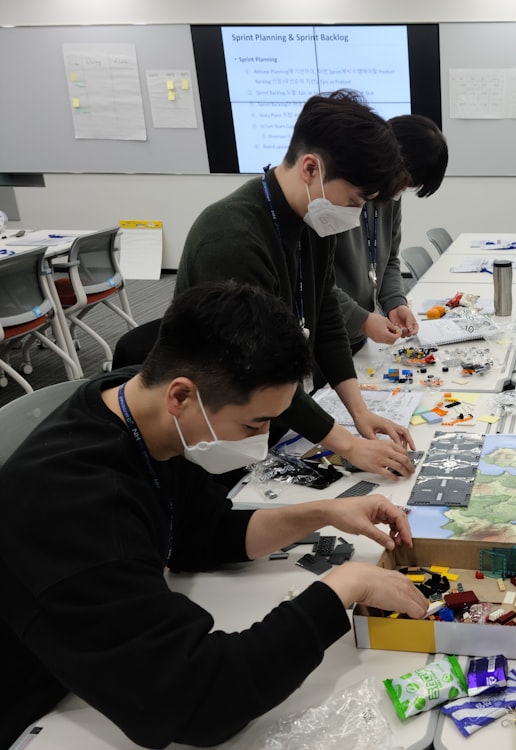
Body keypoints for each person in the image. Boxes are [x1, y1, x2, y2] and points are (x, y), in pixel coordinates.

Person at [0, 282, 428, 749]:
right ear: (181, 396)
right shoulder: (75, 506)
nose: (263, 441)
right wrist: (342, 587)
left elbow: (203, 534)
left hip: (94, 662)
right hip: (35, 709)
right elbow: (200, 702)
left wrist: (325, 511)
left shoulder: (139, 411)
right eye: (254, 423)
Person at [176, 90, 415, 481]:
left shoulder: (313, 222)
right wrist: (350, 446)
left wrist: (359, 413)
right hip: (216, 432)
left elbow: (327, 318)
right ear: (310, 169)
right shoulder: (232, 238)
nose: (355, 214)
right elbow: (260, 371)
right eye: (355, 199)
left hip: (267, 417)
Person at [333, 114, 449, 353]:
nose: (399, 192)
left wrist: (396, 302)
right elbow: (316, 283)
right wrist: (361, 320)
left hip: (357, 337)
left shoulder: (389, 197)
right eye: (403, 182)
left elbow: (389, 260)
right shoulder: (338, 197)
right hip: (327, 335)